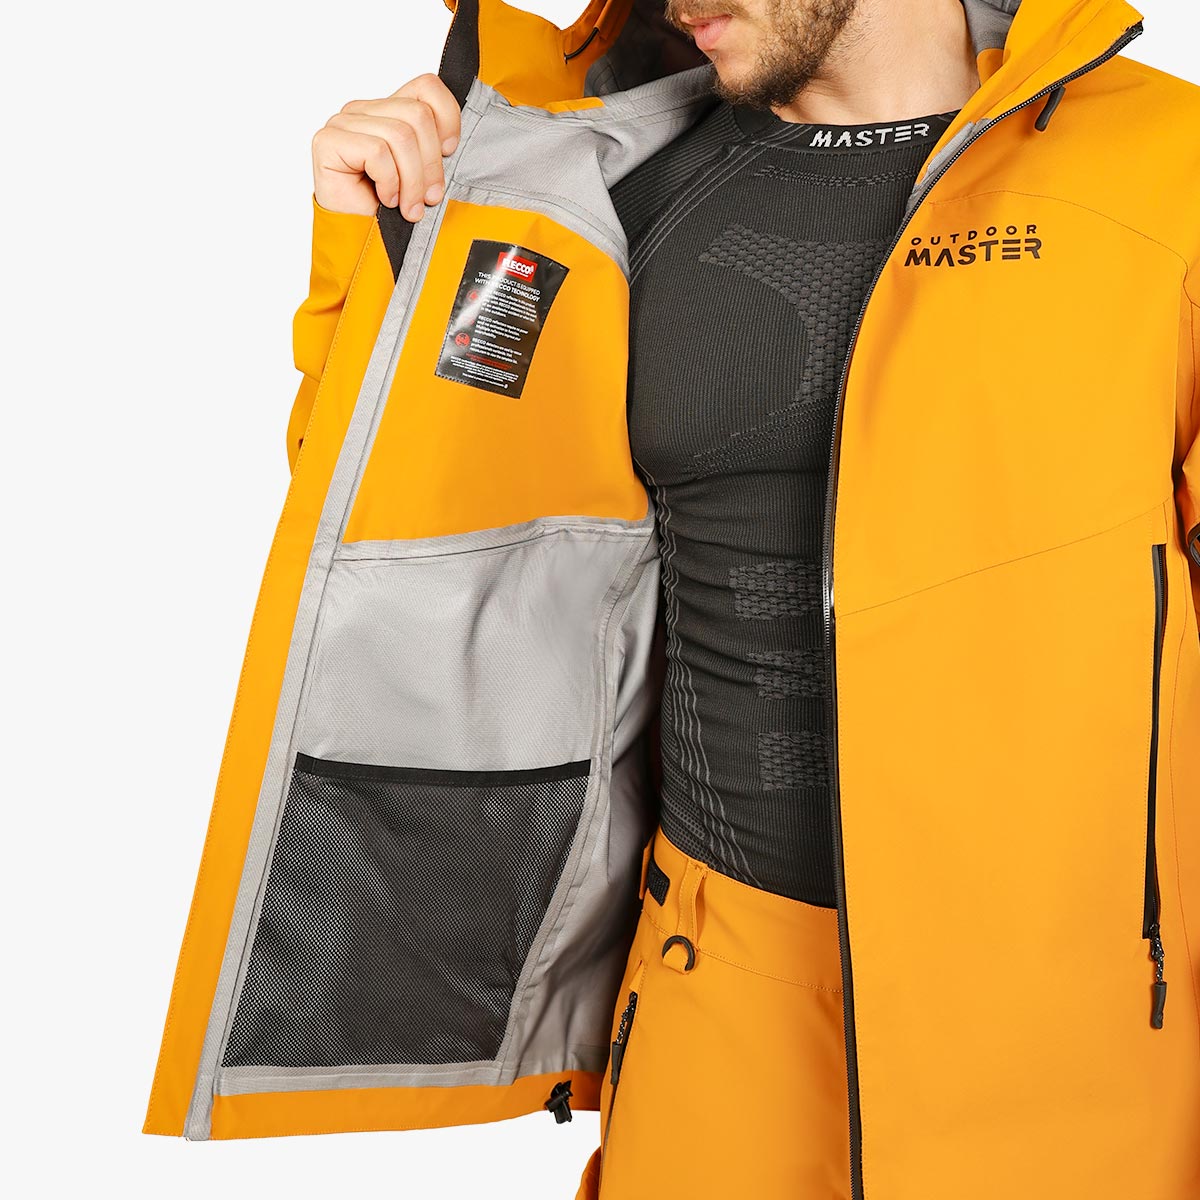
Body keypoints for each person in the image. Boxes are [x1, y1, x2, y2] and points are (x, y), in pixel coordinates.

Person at [144, 2, 1200, 1197]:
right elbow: (399, 530)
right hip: (721, 997)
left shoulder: (1169, 172)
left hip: (1076, 1017)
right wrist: (373, 246)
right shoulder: (602, 184)